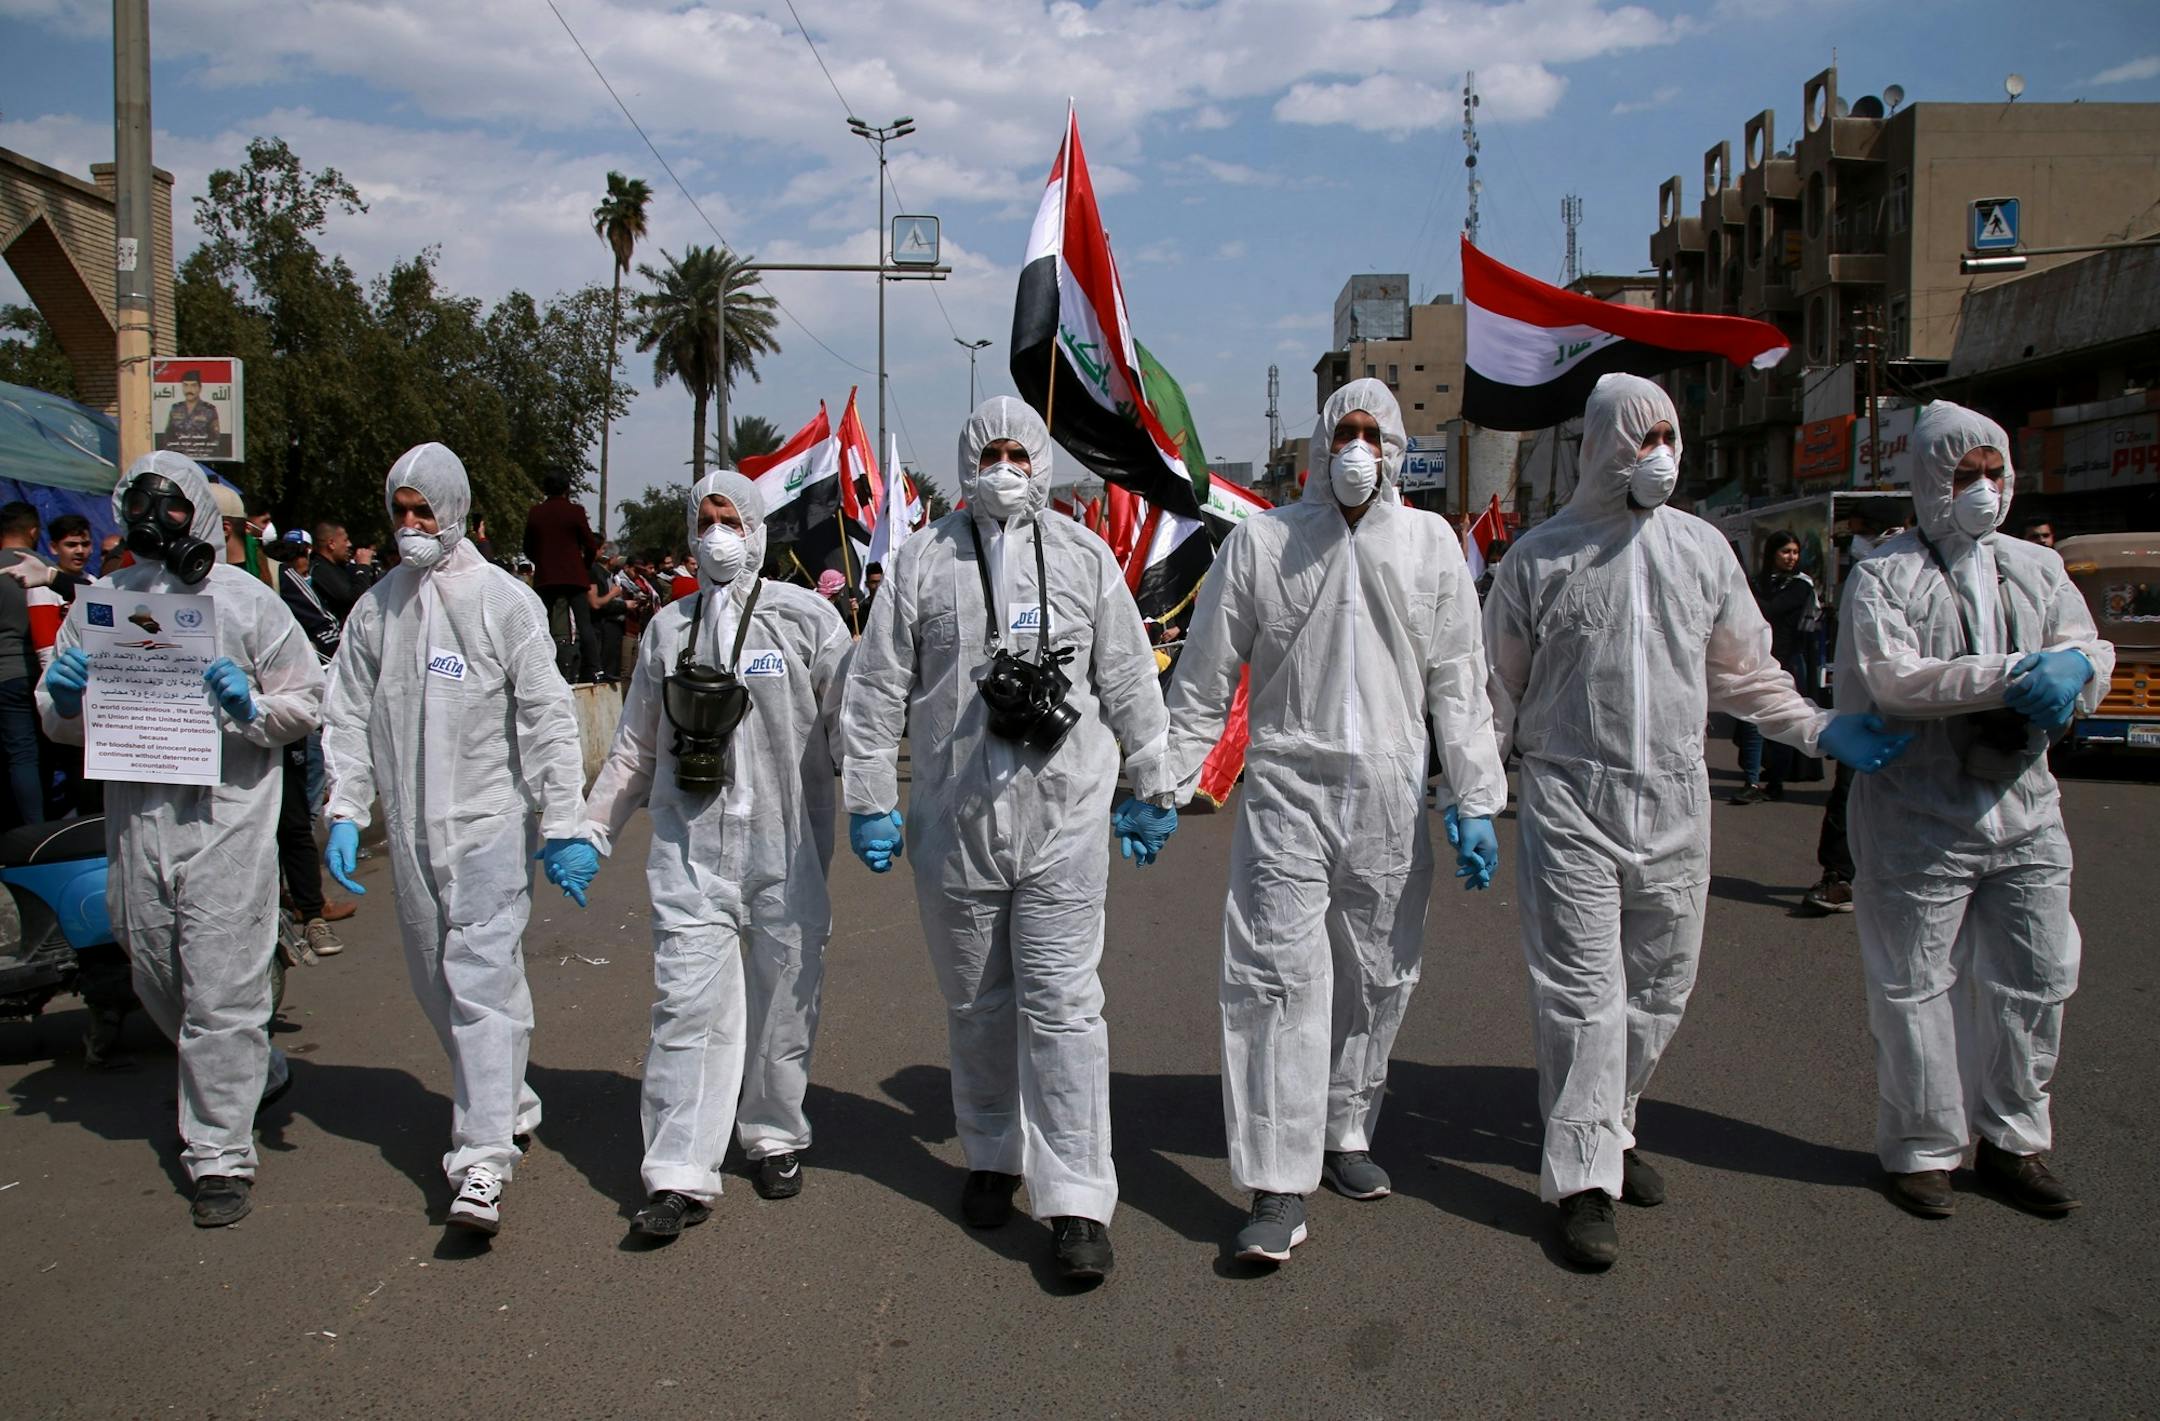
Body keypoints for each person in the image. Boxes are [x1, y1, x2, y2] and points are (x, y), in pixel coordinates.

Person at [1483, 374, 1913, 1269]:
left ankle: (1613, 1122)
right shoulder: (1540, 557)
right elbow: (1498, 691)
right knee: (1583, 999)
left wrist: (1821, 725)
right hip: (1573, 800)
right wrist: (1478, 797)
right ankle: (1583, 1178)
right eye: (1642, 440)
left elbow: (1747, 674)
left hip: (1677, 799)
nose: (1659, 457)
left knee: (1660, 988)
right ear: (1603, 445)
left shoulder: (1704, 551)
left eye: (1669, 437)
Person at [1156, 379, 1507, 1265]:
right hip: (1287, 789)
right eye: (1343, 431)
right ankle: (1277, 1183)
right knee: (1275, 978)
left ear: (1393, 446)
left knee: (1379, 975)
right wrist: (1160, 780)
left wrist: (1474, 798)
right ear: (1321, 444)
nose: (1357, 448)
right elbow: (1201, 679)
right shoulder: (1266, 544)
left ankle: (1345, 1126)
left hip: (1391, 793)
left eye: (1372, 433)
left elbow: (1459, 685)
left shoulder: (1432, 546)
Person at [839, 397, 1176, 1282]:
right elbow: (875, 690)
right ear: (965, 459)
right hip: (954, 825)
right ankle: (993, 1152)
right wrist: (871, 796)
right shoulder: (922, 561)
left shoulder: (1083, 556)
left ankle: (1074, 1203)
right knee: (978, 1007)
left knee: (1064, 1007)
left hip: (1064, 817)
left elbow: (1131, 675)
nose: (1004, 466)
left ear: (1042, 461)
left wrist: (1153, 777)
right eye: (989, 451)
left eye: (1019, 452)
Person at [1835, 401, 2110, 1221]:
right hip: (1920, 813)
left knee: (2037, 977)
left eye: (1994, 473)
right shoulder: (1887, 573)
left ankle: (2015, 1142)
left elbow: (2087, 648)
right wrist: (2012, 676)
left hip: (2026, 806)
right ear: (1928, 480)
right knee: (1915, 985)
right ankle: (1922, 1147)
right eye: (1965, 475)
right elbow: (1893, 679)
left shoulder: (2037, 566)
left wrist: (2073, 674)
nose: (1984, 489)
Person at [38, 451, 324, 1225]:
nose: (150, 522)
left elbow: (307, 698)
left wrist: (251, 707)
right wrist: (62, 698)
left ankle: (221, 1155)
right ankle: (252, 1069)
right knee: (152, 959)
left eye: (167, 506)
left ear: (194, 511)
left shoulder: (246, 602)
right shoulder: (104, 602)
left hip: (226, 811)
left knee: (223, 979)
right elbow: (60, 716)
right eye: (139, 505)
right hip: (140, 812)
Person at [321, 444, 597, 1237]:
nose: (411, 525)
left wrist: (563, 819)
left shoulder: (502, 601)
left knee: (479, 981)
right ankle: (506, 1098)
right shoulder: (377, 609)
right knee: (435, 982)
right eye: (399, 512)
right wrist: (347, 806)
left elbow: (547, 715)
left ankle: (480, 1162)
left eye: (423, 510)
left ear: (452, 506)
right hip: (410, 836)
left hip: (486, 830)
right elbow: (345, 711)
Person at [579, 471, 849, 1237]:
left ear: (758, 528)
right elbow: (635, 745)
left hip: (786, 848)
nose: (717, 533)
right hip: (690, 848)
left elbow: (849, 726)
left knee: (784, 1000)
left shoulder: (808, 621)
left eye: (730, 517)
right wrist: (592, 827)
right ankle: (678, 1169)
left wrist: (873, 806)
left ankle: (772, 1132)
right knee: (686, 1009)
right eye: (705, 519)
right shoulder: (668, 628)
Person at [1730, 531, 1822, 804]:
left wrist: (1745, 593)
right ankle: (1752, 780)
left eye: (1794, 552)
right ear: (1772, 554)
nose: (1791, 557)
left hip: (1786, 662)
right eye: (1785, 552)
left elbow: (1770, 609)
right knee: (1750, 724)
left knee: (1780, 723)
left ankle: (1775, 780)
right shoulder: (1758, 582)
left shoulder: (1800, 586)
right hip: (1755, 659)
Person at [0, 500, 58, 830]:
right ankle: (40, 829)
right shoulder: (46, 569)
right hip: (40, 676)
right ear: (33, 531)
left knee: (18, 755)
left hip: (4, 676)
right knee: (38, 755)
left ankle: (24, 828)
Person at [524, 471, 602, 682]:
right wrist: (583, 567)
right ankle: (592, 668)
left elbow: (527, 547)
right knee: (584, 624)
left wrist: (541, 562)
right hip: (574, 575)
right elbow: (591, 545)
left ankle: (541, 665)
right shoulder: (575, 511)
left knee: (543, 622)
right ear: (567, 488)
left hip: (546, 577)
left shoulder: (536, 512)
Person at [309, 522, 378, 626]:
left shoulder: (338, 567)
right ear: (331, 544)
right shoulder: (320, 569)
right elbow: (354, 599)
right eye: (345, 540)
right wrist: (363, 567)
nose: (349, 544)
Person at [588, 541, 627, 683]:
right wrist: (615, 596)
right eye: (617, 557)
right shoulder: (596, 573)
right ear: (611, 559)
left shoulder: (607, 575)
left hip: (611, 628)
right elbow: (596, 603)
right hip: (602, 628)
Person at [160, 370, 221, 458]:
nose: (189, 390)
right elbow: (168, 436)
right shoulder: (175, 408)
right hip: (178, 459)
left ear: (200, 388)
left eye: (193, 385)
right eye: (185, 385)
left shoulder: (209, 410)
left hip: (202, 458)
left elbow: (215, 439)